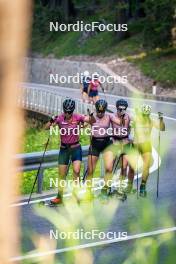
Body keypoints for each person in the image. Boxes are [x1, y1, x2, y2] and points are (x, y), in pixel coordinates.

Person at [45, 98, 95, 205]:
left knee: (76, 172)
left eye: (70, 112)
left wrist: (91, 116)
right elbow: (46, 128)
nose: (68, 114)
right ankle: (59, 197)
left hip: (76, 148)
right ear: (64, 110)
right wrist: (51, 120)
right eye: (66, 111)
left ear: (73, 110)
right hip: (64, 149)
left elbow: (92, 121)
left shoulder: (77, 117)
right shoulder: (59, 118)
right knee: (62, 175)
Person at [86, 99, 121, 199]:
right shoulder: (92, 116)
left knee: (109, 168)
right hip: (95, 143)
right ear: (96, 109)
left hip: (107, 143)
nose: (100, 113)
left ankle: (105, 191)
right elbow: (82, 124)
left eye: (102, 111)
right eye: (98, 111)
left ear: (105, 110)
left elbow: (120, 123)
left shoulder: (109, 116)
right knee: (90, 171)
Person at [129, 104, 165, 197]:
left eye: (147, 115)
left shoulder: (151, 121)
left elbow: (162, 128)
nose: (145, 116)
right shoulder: (136, 119)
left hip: (146, 145)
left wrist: (161, 119)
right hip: (136, 144)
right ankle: (129, 185)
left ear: (149, 114)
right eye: (143, 114)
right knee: (132, 167)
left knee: (146, 166)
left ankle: (142, 186)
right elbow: (128, 126)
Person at [111, 99, 135, 194]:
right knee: (110, 167)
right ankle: (106, 188)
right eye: (120, 108)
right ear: (117, 108)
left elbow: (135, 125)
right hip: (115, 143)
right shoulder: (112, 116)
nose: (122, 110)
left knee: (124, 167)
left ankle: (121, 188)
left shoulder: (129, 117)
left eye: (124, 109)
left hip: (125, 144)